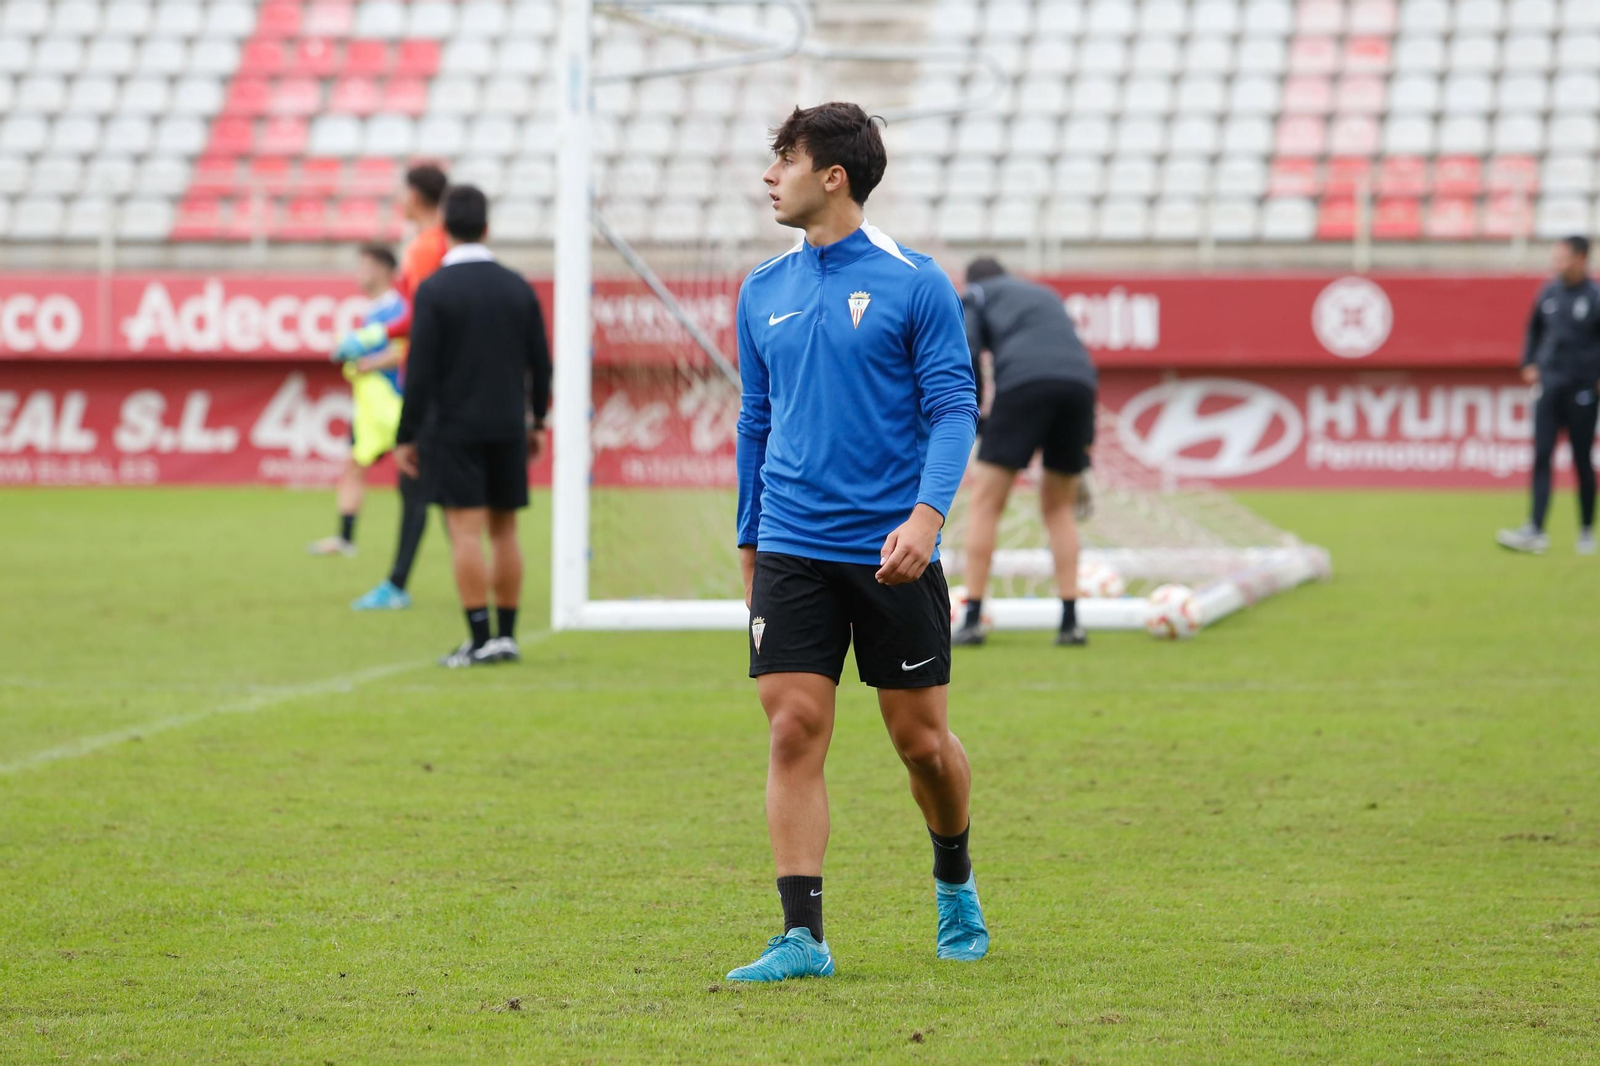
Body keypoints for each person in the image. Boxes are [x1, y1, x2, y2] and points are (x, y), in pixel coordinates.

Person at [726, 102, 985, 983]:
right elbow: (755, 420)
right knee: (793, 728)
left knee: (922, 744)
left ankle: (954, 878)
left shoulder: (916, 283)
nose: (770, 176)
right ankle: (802, 937)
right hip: (791, 543)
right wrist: (750, 538)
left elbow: (954, 407)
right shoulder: (761, 289)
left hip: (892, 552)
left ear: (832, 176)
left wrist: (927, 516)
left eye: (785, 160)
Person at [393, 185, 551, 668]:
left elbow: (420, 369)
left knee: (465, 533)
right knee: (505, 531)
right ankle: (506, 637)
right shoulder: (516, 286)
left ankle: (479, 638)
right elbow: (540, 362)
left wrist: (406, 434)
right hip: (506, 424)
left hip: (454, 427)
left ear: (445, 230)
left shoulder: (434, 290)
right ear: (486, 227)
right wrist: (537, 420)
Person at [953, 257, 1099, 647]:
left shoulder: (976, 294)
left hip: (1024, 384)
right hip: (1080, 386)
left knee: (986, 503)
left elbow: (968, 351)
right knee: (1059, 507)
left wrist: (975, 413)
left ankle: (972, 619)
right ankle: (1071, 623)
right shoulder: (1042, 293)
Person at [339, 164, 452, 610]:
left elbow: (424, 318)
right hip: (440, 382)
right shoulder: (440, 243)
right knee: (432, 488)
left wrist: (377, 338)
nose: (400, 202)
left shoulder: (424, 247)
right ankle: (407, 580)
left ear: (417, 198)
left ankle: (400, 584)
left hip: (426, 386)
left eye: (404, 194)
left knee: (422, 484)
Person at [1497, 235, 1600, 555]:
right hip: (1549, 387)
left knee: (1582, 460)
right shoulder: (1548, 292)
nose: (1557, 262)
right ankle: (1536, 529)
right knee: (1542, 455)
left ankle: (1586, 530)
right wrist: (1528, 362)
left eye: (1563, 257)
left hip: (1582, 390)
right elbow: (1534, 330)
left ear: (1581, 258)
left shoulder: (1595, 296)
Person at [307, 244, 408, 558]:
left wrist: (367, 363)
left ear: (384, 270)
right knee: (353, 467)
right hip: (371, 409)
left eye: (364, 266)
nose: (358, 273)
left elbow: (405, 351)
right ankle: (345, 538)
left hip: (397, 403)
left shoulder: (398, 308)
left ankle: (462, 530)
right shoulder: (372, 311)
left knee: (416, 472)